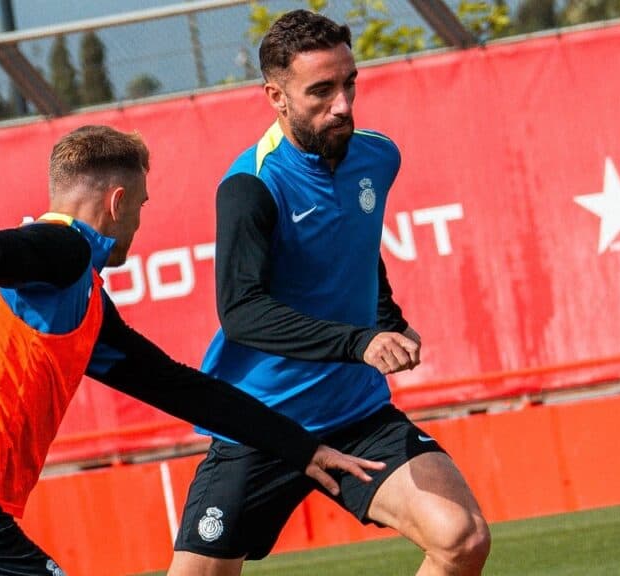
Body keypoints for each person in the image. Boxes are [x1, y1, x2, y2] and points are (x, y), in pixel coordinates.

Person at [0, 125, 384, 576]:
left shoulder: (83, 303)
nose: (140, 223)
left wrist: (301, 448)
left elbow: (181, 388)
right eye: (141, 206)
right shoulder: (67, 249)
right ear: (117, 201)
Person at [168, 10, 491, 576]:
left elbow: (358, 244)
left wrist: (387, 318)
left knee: (462, 539)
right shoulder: (252, 185)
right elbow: (242, 313)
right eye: (320, 90)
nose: (342, 104)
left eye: (349, 84)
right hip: (262, 424)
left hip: (357, 415)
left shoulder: (378, 155)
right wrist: (358, 342)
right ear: (276, 95)